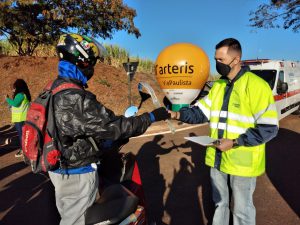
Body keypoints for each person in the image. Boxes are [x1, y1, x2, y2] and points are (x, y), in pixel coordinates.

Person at [48, 33, 170, 225]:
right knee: (77, 221)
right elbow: (115, 126)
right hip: (75, 171)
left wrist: (107, 141)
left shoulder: (54, 89)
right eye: (92, 62)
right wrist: (152, 116)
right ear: (82, 61)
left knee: (71, 216)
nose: (93, 67)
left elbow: (73, 131)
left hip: (61, 166)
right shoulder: (73, 98)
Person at [169, 38, 278, 225]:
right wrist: (177, 114)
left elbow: (269, 128)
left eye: (220, 60)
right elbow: (200, 113)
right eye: (215, 59)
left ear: (236, 60)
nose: (217, 64)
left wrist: (235, 142)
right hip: (217, 158)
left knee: (242, 210)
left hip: (242, 162)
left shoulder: (257, 86)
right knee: (220, 204)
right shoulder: (218, 86)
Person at [5, 79, 31, 157]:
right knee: (24, 135)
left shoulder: (20, 95)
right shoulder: (23, 94)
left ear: (18, 87)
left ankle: (24, 150)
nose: (13, 89)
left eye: (14, 87)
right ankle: (25, 149)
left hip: (20, 118)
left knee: (22, 135)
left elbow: (15, 104)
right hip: (22, 118)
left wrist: (7, 99)